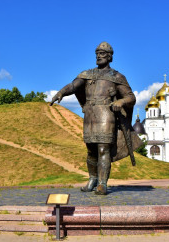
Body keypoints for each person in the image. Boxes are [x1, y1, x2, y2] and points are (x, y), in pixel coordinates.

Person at [50, 42, 140, 195]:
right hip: (90, 115)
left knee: (103, 148)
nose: (99, 56)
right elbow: (73, 86)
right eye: (97, 53)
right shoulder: (87, 74)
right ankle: (92, 179)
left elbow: (130, 97)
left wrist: (120, 101)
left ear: (110, 56)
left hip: (106, 115)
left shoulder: (116, 77)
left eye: (102, 53)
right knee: (91, 150)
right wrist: (61, 92)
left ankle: (102, 184)